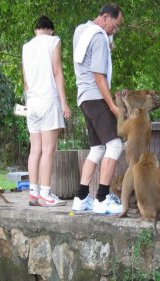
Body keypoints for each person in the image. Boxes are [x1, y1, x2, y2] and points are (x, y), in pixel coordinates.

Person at [72, 3, 124, 214]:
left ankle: (81, 197)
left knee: (97, 148)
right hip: (96, 97)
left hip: (83, 98)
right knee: (115, 146)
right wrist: (112, 106)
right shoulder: (99, 37)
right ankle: (102, 199)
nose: (115, 30)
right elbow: (99, 76)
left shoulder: (81, 30)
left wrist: (107, 39)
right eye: (115, 24)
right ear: (104, 18)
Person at [22, 16, 71, 207]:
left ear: (36, 30)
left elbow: (25, 80)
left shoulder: (26, 46)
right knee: (49, 149)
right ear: (51, 30)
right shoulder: (54, 41)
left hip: (32, 102)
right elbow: (57, 72)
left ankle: (33, 194)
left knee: (35, 149)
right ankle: (45, 194)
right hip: (48, 100)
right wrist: (64, 102)